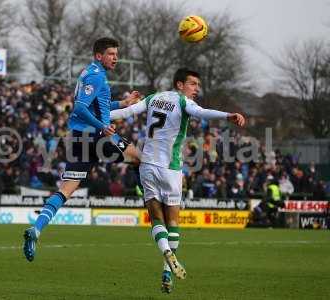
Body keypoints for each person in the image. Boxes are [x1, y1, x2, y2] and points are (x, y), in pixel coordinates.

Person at [110, 68, 246, 293]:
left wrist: (98, 118)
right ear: (180, 84)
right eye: (193, 84)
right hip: (171, 168)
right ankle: (166, 269)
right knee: (173, 221)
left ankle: (165, 253)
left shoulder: (154, 98)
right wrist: (227, 116)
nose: (196, 89)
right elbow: (202, 112)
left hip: (147, 166)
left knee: (155, 218)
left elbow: (126, 113)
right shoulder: (183, 102)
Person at [23, 37, 140, 261]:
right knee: (139, 157)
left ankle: (36, 229)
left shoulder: (89, 73)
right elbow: (80, 107)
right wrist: (102, 126)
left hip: (78, 138)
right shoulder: (96, 76)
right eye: (111, 54)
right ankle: (148, 198)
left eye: (116, 54)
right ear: (99, 55)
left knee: (66, 189)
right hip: (96, 136)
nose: (116, 58)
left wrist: (123, 104)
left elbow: (98, 104)